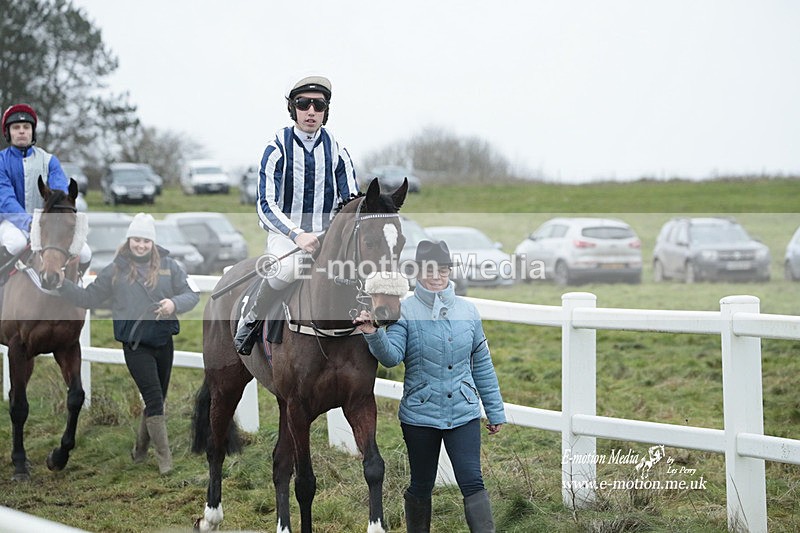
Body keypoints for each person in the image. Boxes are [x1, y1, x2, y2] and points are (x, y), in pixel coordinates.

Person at [354, 240, 506, 532]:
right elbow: (391, 358)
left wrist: (495, 411)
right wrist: (373, 333)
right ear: (418, 272)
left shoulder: (469, 311)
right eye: (430, 270)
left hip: (463, 412)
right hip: (420, 416)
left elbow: (483, 365)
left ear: (450, 272)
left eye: (443, 270)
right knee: (421, 484)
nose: (437, 276)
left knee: (472, 481)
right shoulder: (405, 311)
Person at [57, 213, 199, 474]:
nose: (141, 245)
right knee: (155, 400)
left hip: (163, 341)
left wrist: (173, 304)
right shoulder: (114, 270)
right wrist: (61, 284)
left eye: (146, 240)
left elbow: (192, 294)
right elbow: (89, 297)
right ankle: (165, 461)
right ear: (129, 240)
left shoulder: (170, 265)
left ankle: (139, 451)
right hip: (135, 345)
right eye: (136, 239)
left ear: (152, 243)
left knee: (157, 399)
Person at [234, 74, 359, 355]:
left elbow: (351, 202)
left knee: (355, 272)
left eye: (319, 105)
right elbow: (266, 206)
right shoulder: (276, 148)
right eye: (303, 104)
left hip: (327, 238)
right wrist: (297, 234)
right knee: (288, 269)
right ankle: (251, 321)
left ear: (326, 111)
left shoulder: (338, 151)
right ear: (293, 109)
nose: (311, 111)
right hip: (286, 237)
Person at [0, 103, 92, 275]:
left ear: (32, 132)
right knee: (16, 243)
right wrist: (28, 223)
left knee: (85, 253)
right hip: (10, 222)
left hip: (46, 224)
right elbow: (5, 200)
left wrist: (51, 220)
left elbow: (61, 193)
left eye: (26, 127)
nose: (21, 131)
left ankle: (76, 287)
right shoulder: (1, 162)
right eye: (16, 127)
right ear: (8, 132)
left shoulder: (49, 160)